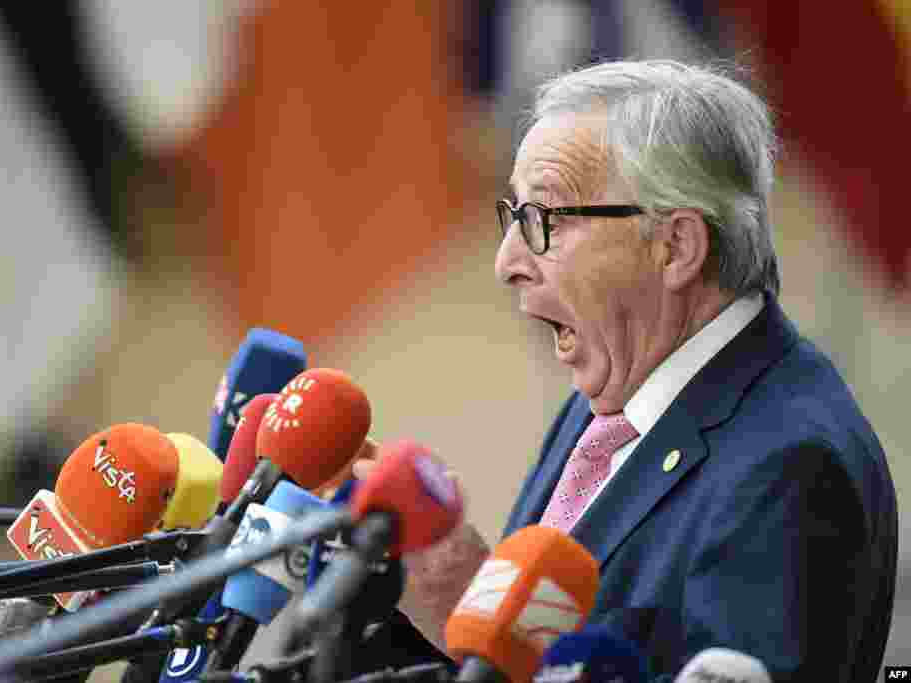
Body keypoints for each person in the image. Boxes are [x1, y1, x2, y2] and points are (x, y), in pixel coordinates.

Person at [347, 59, 899, 682]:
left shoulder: (790, 465)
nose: (508, 261)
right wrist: (449, 584)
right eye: (514, 218)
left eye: (545, 220)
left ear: (675, 246)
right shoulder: (612, 394)